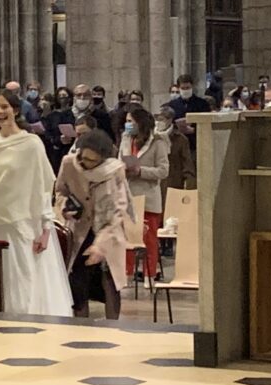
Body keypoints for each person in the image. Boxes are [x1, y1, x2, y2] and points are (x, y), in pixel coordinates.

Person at [0, 88, 73, 316]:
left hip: (22, 218)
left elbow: (43, 186)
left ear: (15, 110)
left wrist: (46, 227)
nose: (0, 111)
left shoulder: (31, 143)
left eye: (4, 106)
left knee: (21, 276)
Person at [55, 129, 133, 319]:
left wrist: (101, 245)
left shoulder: (115, 171)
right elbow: (60, 192)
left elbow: (118, 210)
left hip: (108, 232)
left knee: (110, 284)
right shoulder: (69, 163)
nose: (84, 163)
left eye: (91, 160)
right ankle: (80, 330)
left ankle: (113, 330)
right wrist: (66, 207)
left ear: (103, 159)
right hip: (80, 231)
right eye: (82, 157)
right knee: (78, 285)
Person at [121, 104, 169, 283]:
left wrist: (140, 171)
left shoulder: (158, 142)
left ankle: (150, 275)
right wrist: (123, 168)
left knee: (149, 240)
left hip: (148, 197)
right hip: (129, 196)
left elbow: (163, 171)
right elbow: (120, 160)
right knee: (128, 238)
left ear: (140, 123)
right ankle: (127, 274)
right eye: (126, 121)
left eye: (130, 121)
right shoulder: (126, 139)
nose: (127, 125)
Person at [157, 106, 195, 194]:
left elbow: (187, 163)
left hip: (173, 184)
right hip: (154, 184)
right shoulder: (151, 137)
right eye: (157, 119)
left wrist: (189, 186)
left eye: (161, 119)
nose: (158, 122)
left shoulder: (180, 139)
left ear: (170, 120)